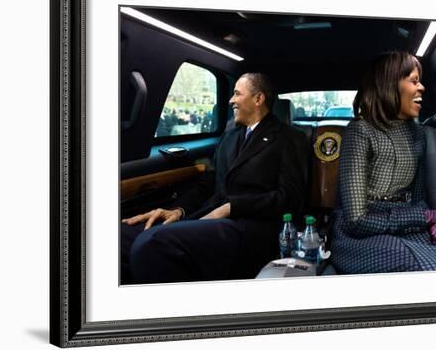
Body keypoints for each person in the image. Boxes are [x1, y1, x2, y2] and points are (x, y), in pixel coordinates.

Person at [121, 73, 305, 284]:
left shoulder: (288, 138)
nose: (231, 100)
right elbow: (206, 184)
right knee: (122, 238)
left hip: (251, 227)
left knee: (151, 243)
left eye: (237, 94)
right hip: (211, 217)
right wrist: (178, 210)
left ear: (258, 99)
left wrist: (232, 207)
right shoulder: (230, 136)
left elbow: (290, 197)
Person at [330, 51, 436, 274]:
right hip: (361, 234)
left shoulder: (417, 134)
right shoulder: (359, 131)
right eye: (414, 81)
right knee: (411, 262)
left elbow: (417, 199)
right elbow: (356, 221)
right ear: (389, 85)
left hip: (409, 226)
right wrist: (424, 217)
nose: (422, 88)